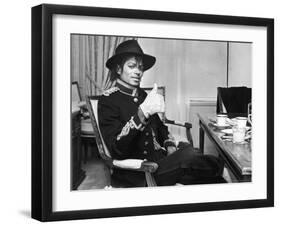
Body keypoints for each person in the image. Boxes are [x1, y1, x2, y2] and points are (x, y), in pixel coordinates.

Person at [98, 39, 225, 187]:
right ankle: (224, 169)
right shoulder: (108, 100)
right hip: (140, 173)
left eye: (140, 67)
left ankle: (224, 176)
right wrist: (141, 114)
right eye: (132, 66)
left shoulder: (143, 95)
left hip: (161, 163)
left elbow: (160, 127)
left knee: (212, 179)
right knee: (190, 154)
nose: (138, 71)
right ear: (119, 69)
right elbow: (116, 149)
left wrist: (169, 143)